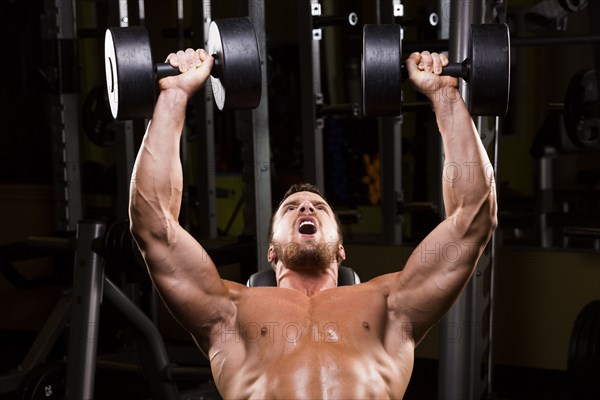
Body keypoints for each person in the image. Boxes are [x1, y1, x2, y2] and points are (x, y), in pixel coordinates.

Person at [129, 48, 497, 399]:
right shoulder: (230, 311)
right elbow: (154, 227)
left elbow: (474, 218)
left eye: (319, 207)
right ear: (271, 250)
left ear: (341, 247)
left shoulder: (389, 306)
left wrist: (445, 95)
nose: (306, 208)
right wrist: (174, 95)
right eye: (290, 208)